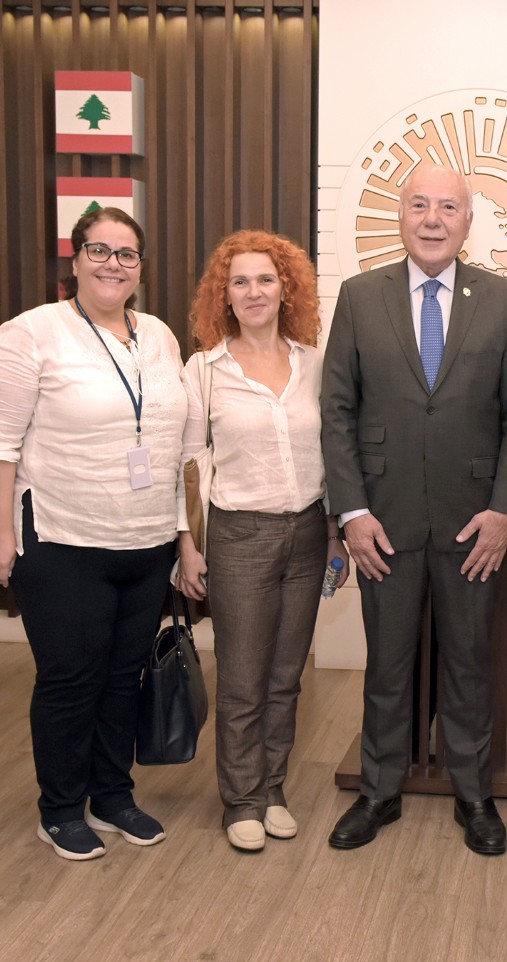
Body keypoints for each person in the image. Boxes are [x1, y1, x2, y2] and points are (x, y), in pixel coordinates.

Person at [320, 164, 507, 856]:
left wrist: (505, 511)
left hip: (474, 520)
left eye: (448, 207)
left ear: (469, 221)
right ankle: (380, 791)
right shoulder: (360, 296)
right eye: (420, 205)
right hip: (381, 520)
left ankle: (473, 794)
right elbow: (336, 410)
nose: (433, 219)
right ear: (401, 216)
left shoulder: (503, 300)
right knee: (387, 662)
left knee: (469, 663)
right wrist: (351, 511)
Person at [0, 207, 185, 862]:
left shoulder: (159, 336)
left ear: (141, 267)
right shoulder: (28, 335)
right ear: (75, 259)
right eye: (100, 250)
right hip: (62, 538)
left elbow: (175, 442)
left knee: (125, 677)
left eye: (127, 254)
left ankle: (113, 795)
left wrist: (182, 536)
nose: (113, 264)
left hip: (146, 539)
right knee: (71, 679)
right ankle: (61, 808)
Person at [173, 230, 344, 852]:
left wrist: (335, 535)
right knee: (243, 677)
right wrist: (187, 545)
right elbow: (187, 463)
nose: (253, 292)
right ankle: (241, 799)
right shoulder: (204, 370)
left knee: (286, 676)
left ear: (286, 288)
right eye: (239, 281)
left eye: (265, 279)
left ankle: (273, 790)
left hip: (308, 532)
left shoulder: (315, 364)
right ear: (223, 294)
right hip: (238, 535)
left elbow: (334, 454)